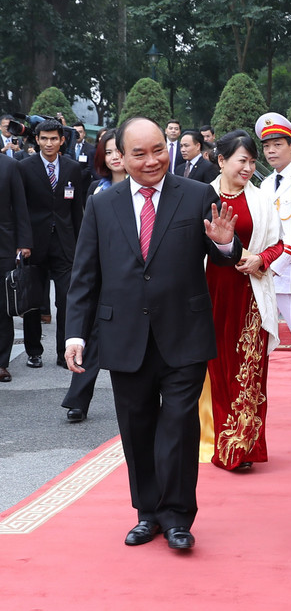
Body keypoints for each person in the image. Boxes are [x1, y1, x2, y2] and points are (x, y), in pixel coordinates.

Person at [64, 117, 241, 551]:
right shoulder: (102, 205)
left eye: (158, 149)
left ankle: (178, 517)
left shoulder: (198, 194)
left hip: (184, 334)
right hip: (123, 336)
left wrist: (223, 244)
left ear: (170, 145)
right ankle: (147, 514)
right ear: (119, 157)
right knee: (137, 428)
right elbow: (84, 275)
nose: (151, 160)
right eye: (138, 153)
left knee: (178, 428)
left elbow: (225, 259)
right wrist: (75, 335)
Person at [198, 130, 282, 471]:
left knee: (249, 371)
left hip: (250, 294)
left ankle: (245, 448)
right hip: (209, 291)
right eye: (241, 161)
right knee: (215, 369)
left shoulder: (261, 199)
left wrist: (260, 259)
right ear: (222, 161)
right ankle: (218, 444)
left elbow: (278, 244)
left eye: (252, 161)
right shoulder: (201, 196)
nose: (247, 168)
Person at [61, 128, 126, 422]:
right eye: (108, 152)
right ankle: (78, 399)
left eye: (118, 152)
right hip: (101, 276)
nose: (114, 157)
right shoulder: (97, 190)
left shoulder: (145, 190)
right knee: (92, 336)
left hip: (132, 277)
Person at [256, 111, 291, 417]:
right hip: (266, 275)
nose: (271, 151)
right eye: (267, 146)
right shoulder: (265, 185)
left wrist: (271, 266)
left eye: (278, 144)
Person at [18, 119, 85, 369]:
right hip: (33, 244)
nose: (49, 143)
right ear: (37, 139)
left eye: (53, 138)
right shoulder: (24, 168)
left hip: (66, 244)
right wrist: (22, 242)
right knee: (33, 301)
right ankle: (33, 351)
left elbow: (77, 210)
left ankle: (63, 352)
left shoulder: (72, 168)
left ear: (62, 140)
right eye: (44, 138)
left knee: (67, 301)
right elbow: (21, 209)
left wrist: (81, 245)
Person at [0, 154, 32, 382]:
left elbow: (21, 206)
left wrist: (24, 243)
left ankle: (1, 362)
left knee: (2, 308)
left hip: (4, 245)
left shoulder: (10, 166)